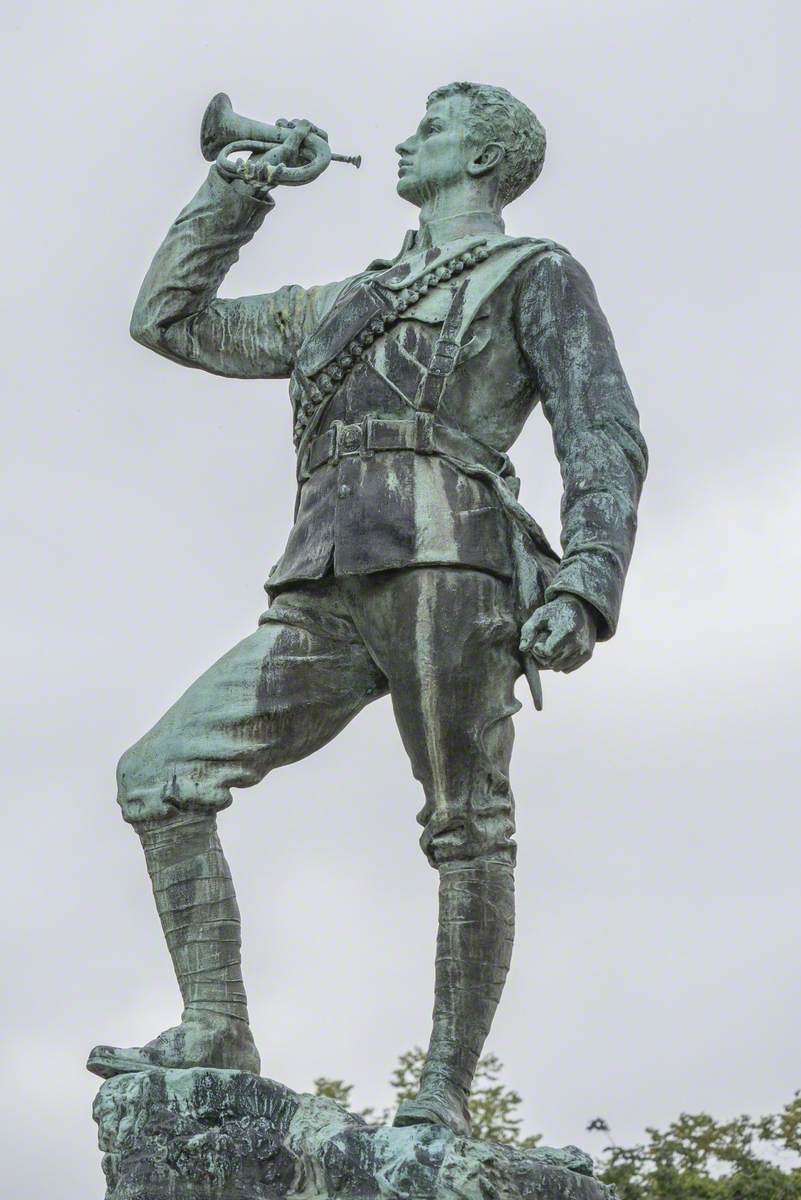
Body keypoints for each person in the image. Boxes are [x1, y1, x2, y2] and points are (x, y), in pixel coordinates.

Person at [87, 82, 647, 1137]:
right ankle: (215, 1024)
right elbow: (169, 322)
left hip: (456, 558)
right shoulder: (340, 303)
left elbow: (600, 433)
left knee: (465, 822)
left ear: (484, 158)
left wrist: (585, 578)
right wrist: (239, 187)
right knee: (160, 775)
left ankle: (443, 1087)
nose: (405, 137)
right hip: (324, 577)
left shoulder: (536, 274)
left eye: (432, 128)